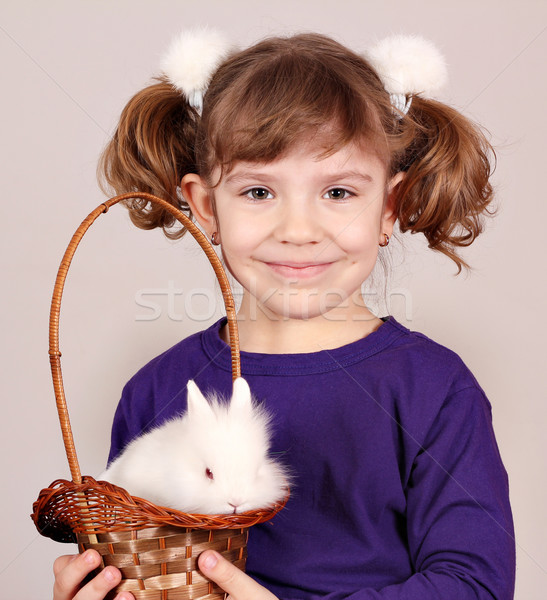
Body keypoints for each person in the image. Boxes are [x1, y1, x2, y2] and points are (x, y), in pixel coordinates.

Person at [52, 31, 515, 600]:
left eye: (339, 193)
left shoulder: (435, 390)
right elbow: (141, 562)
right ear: (205, 207)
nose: (298, 231)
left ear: (389, 209)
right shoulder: (155, 392)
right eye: (258, 193)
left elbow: (474, 585)